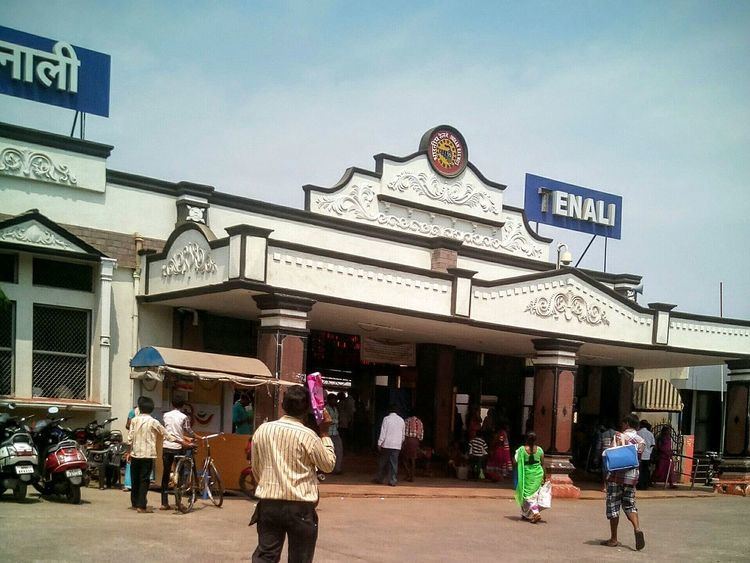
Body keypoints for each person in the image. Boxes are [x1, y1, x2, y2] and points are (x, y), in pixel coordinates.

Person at [250, 385, 336, 563]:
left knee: (266, 556)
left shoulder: (263, 430)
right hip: (301, 507)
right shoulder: (309, 436)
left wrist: (269, 485)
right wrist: (325, 433)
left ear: (282, 404)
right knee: (300, 558)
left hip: (269, 504)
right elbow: (328, 465)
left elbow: (257, 468)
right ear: (307, 410)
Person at [125, 396, 185, 514]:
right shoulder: (153, 422)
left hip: (135, 453)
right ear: (151, 409)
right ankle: (142, 506)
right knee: (144, 480)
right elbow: (166, 434)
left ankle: (135, 502)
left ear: (140, 409)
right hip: (147, 455)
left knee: (135, 478)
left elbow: (130, 438)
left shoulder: (134, 421)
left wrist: (128, 452)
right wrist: (182, 442)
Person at [602, 414, 646, 550]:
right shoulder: (641, 441)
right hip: (632, 477)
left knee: (614, 506)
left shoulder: (618, 436)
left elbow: (609, 453)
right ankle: (637, 528)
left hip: (616, 476)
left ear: (626, 423)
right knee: (630, 504)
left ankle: (614, 538)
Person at [159, 397, 195, 510]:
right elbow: (188, 430)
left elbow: (169, 431)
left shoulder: (166, 415)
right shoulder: (184, 417)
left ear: (172, 404)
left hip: (166, 446)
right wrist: (194, 437)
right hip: (179, 447)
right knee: (179, 473)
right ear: (183, 405)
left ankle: (164, 503)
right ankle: (178, 502)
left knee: (166, 473)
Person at [514, 432, 548, 523]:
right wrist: (545, 477)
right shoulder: (540, 450)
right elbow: (543, 464)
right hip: (538, 474)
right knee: (533, 495)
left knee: (527, 495)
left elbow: (515, 461)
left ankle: (536, 513)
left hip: (527, 475)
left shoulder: (522, 450)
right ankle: (525, 514)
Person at [373, 404, 405, 486]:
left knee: (383, 462)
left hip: (387, 444)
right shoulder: (401, 420)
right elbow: (403, 435)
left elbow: (383, 432)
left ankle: (380, 478)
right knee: (394, 463)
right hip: (396, 445)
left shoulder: (386, 419)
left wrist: (379, 443)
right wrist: (400, 443)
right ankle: (392, 480)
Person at [402, 411, 424, 482]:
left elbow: (404, 432)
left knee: (404, 459)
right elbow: (421, 436)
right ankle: (412, 476)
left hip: (408, 440)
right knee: (413, 459)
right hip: (416, 441)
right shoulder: (420, 422)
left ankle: (408, 473)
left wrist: (403, 441)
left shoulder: (407, 420)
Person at [325, 393, 343, 474]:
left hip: (335, 432)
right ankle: (326, 468)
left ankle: (337, 469)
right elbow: (328, 420)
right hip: (327, 433)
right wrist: (336, 421)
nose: (335, 401)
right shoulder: (325, 409)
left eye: (336, 400)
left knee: (339, 451)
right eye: (334, 400)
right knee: (327, 452)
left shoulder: (335, 409)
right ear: (329, 400)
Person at [637, 420, 656, 490]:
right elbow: (653, 445)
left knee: (640, 471)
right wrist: (650, 452)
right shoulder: (650, 434)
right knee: (646, 471)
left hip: (639, 455)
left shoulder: (638, 433)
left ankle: (640, 484)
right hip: (647, 456)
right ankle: (645, 485)